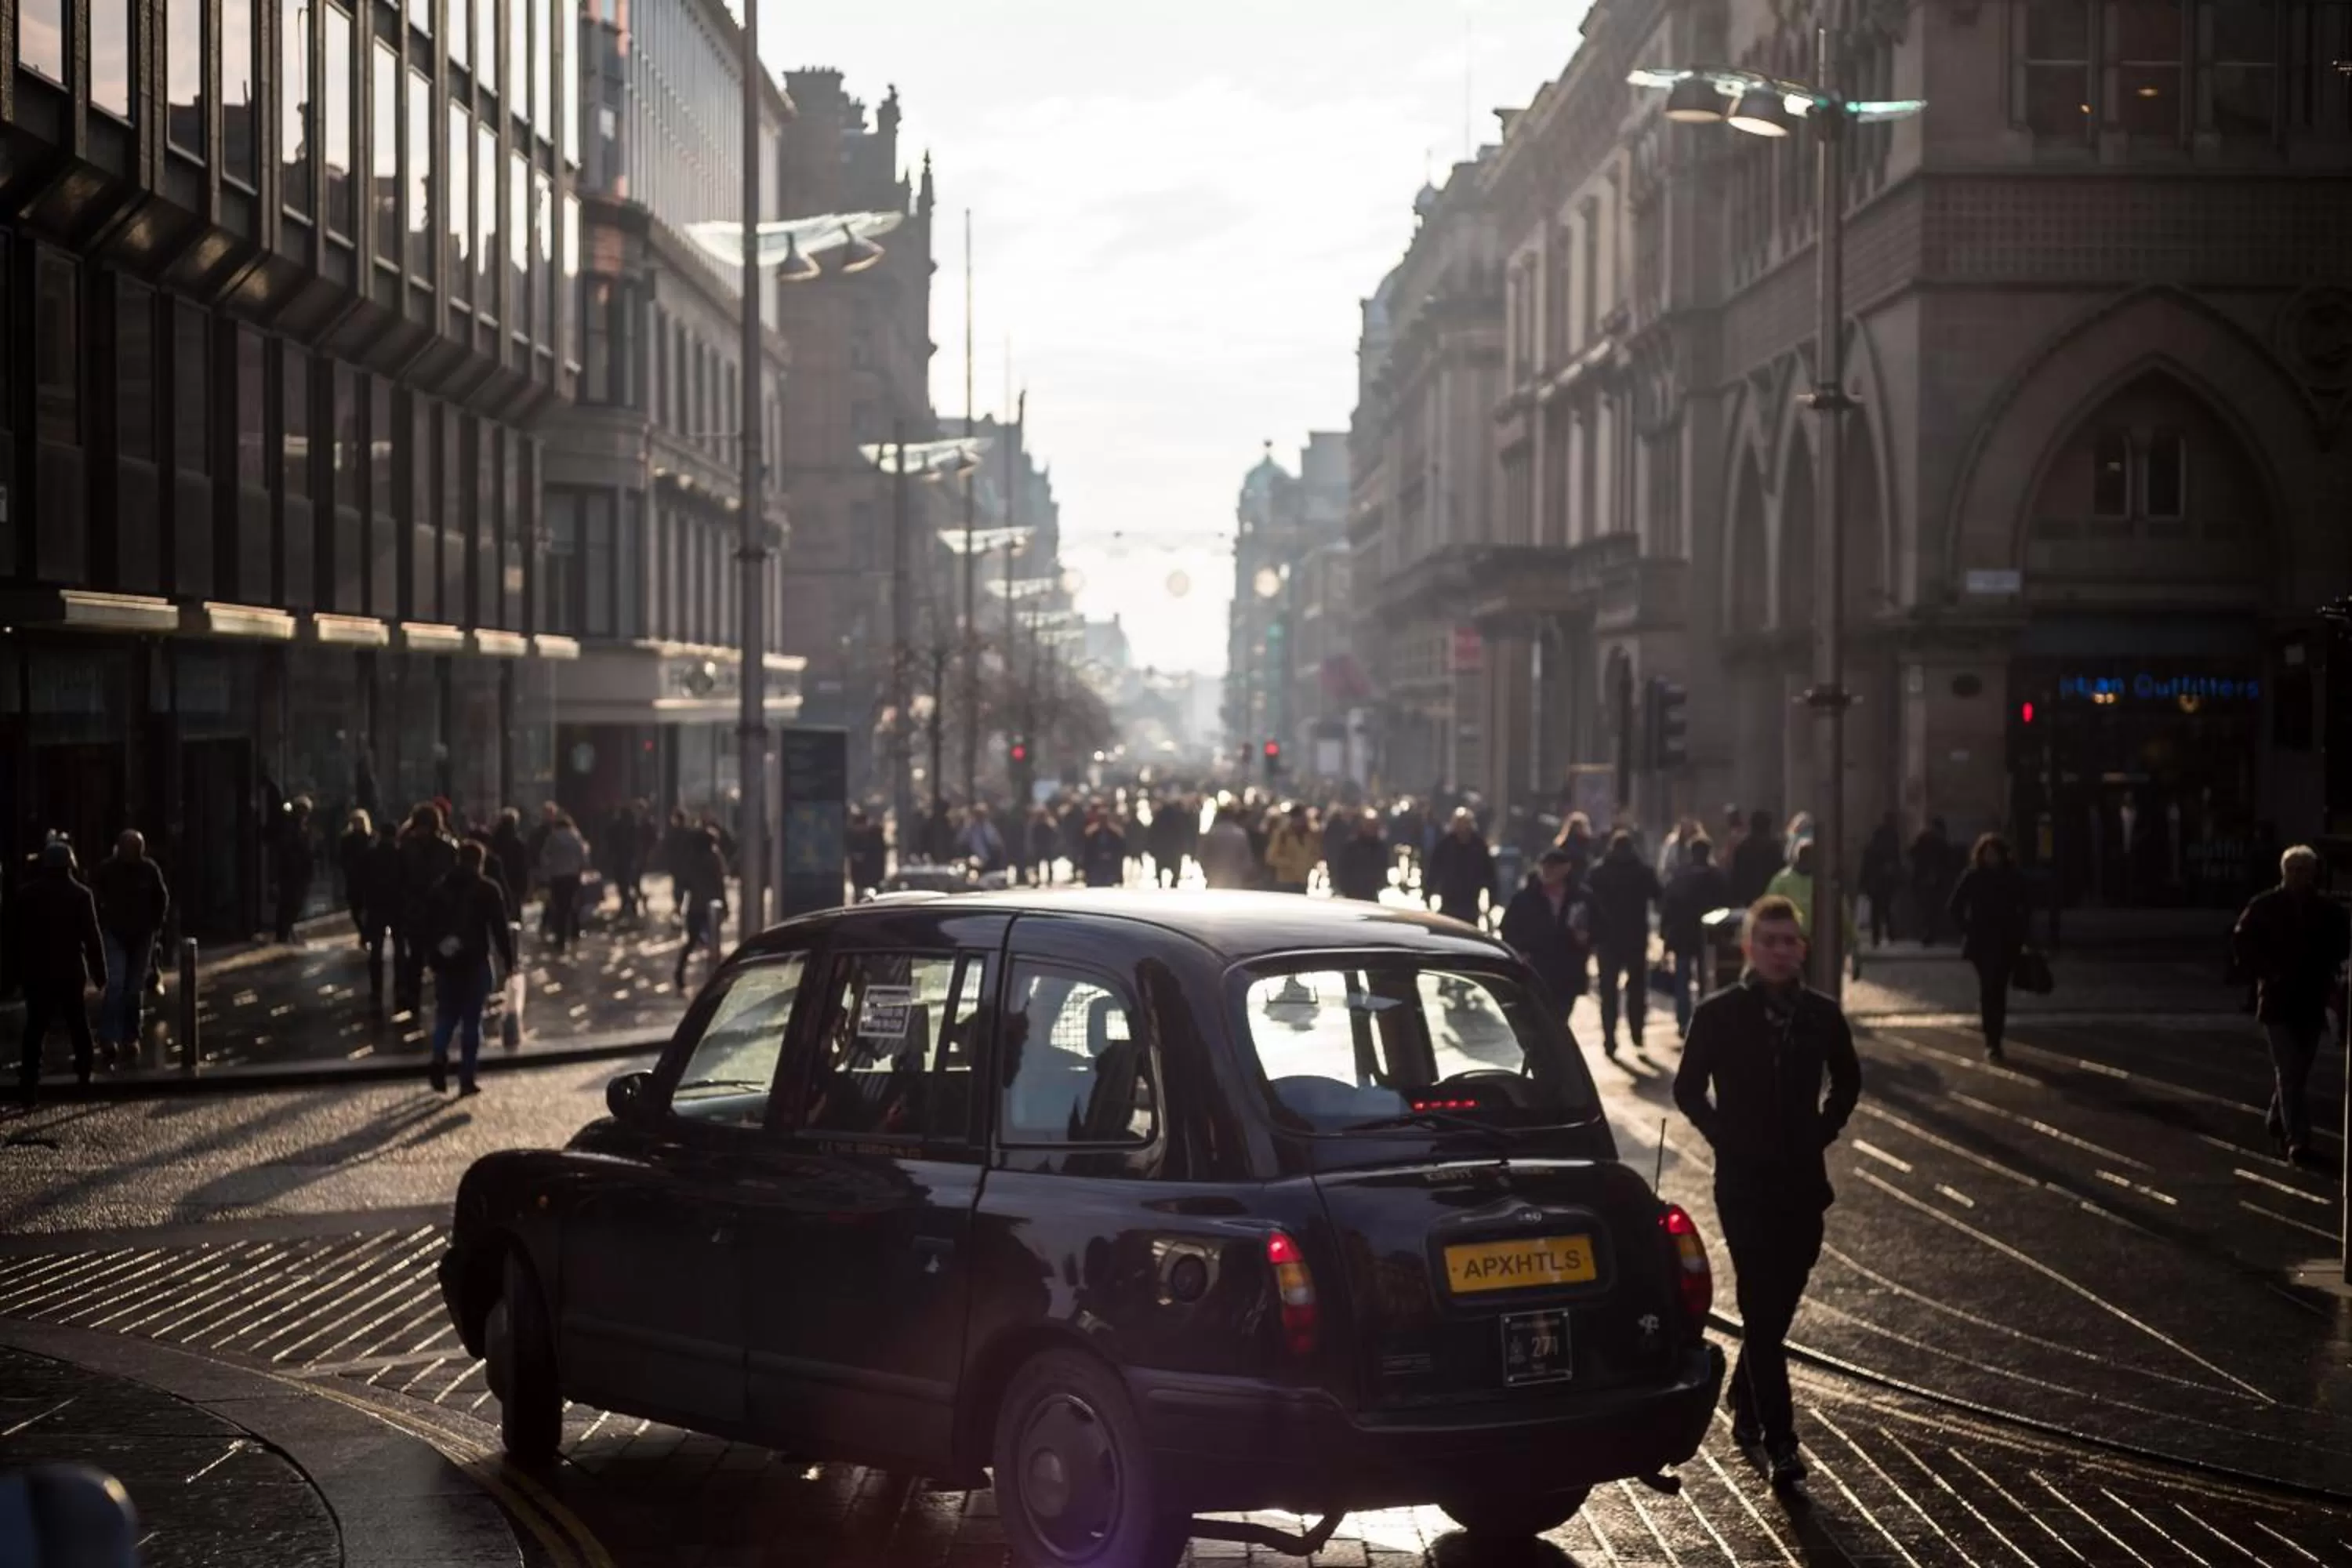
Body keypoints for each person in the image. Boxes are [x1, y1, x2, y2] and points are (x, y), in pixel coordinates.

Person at [1672, 895, 1862, 1491]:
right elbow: (1687, 1088)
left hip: (1804, 1184)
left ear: (1801, 948)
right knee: (1759, 1307)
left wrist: (1823, 1129)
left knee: (1775, 1310)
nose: (1781, 952)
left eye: (1790, 941)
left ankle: (1744, 1397)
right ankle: (1781, 1443)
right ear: (1749, 948)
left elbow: (1849, 1080)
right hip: (1745, 1185)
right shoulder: (1719, 1013)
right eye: (1770, 941)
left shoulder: (1822, 1015)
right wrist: (1724, 1137)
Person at [2230, 845, 2349, 1164]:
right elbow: (2243, 942)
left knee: (2298, 1070)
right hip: (2278, 1001)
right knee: (2289, 1068)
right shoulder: (2265, 906)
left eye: (2304, 870)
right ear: (2283, 872)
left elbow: (2342, 943)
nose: (2298, 876)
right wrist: (2266, 972)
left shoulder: (2326, 909)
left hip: (2310, 999)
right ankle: (2297, 1138)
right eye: (2293, 870)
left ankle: (2278, 1116)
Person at [9, 838, 107, 1105]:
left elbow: (15, 938)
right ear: (70, 864)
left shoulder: (27, 895)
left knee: (35, 1027)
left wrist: (13, 975)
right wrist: (100, 974)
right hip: (70, 969)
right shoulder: (81, 895)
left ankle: (29, 1082)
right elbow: (92, 937)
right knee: (78, 1024)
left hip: (36, 970)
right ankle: (85, 1077)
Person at [421, 840, 517, 1095]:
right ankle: (466, 1077)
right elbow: (499, 928)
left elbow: (427, 925)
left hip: (447, 961)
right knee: (472, 1020)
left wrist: (432, 955)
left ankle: (438, 1055)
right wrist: (509, 961)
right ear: (480, 861)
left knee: (446, 1016)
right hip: (475, 959)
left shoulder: (440, 887)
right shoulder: (487, 888)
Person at [1944, 832, 2033, 1062]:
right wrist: (1968, 929)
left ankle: (1996, 1038)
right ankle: (1991, 1040)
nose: (1992, 858)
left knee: (1998, 991)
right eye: (1988, 854)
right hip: (1982, 943)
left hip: (2006, 941)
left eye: (1995, 854)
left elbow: (2026, 906)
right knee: (1988, 989)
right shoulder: (1973, 876)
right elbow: (1954, 906)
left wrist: (2020, 931)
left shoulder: (2012, 877)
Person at [88, 830, 170, 1066]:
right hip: (116, 933)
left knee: (134, 988)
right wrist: (104, 921)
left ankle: (130, 1037)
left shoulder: (149, 870)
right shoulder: (108, 870)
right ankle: (108, 1037)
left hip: (142, 935)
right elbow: (95, 894)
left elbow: (161, 897)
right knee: (116, 984)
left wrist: (155, 925)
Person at [1588, 829, 1662, 1057]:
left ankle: (1609, 1039)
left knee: (1608, 991)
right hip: (1635, 938)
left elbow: (1587, 901)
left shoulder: (1599, 871)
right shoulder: (1643, 871)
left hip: (1607, 939)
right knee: (1637, 988)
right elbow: (1659, 896)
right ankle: (1637, 1032)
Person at [1501, 848, 1594, 1024]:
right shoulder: (1525, 898)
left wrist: (1586, 937)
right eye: (1544, 867)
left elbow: (1600, 926)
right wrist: (1520, 951)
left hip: (1567, 972)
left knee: (1559, 1021)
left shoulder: (1580, 897)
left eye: (1553, 867)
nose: (1547, 872)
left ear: (1565, 869)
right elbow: (1508, 928)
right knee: (1537, 1020)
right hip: (1536, 969)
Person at [1661, 836, 1730, 1038]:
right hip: (1708, 935)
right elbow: (1726, 904)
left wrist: (1665, 934)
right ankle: (1705, 1018)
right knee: (1706, 978)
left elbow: (1668, 905)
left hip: (1682, 934)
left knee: (1682, 978)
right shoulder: (1717, 876)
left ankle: (1683, 1022)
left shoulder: (1680, 876)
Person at [394, 804, 460, 1016]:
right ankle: (422, 998)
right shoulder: (446, 847)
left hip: (424, 909)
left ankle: (420, 997)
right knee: (425, 955)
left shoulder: (408, 847)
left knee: (424, 956)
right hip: (429, 910)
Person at [1766, 841, 1860, 985]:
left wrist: (1853, 945)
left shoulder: (1782, 881)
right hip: (1796, 945)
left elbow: (1843, 914)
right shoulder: (1784, 881)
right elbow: (1768, 911)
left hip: (1815, 945)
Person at [672, 826, 728, 991]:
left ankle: (679, 973)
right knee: (713, 944)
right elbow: (720, 883)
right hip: (711, 908)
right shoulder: (714, 858)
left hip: (695, 907)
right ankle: (714, 977)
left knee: (691, 941)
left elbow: (683, 882)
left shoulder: (691, 859)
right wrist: (725, 905)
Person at [1428, 808, 1497, 930]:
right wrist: (1428, 891)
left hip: (1470, 901)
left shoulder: (1479, 846)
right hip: (1449, 900)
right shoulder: (1445, 845)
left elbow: (1490, 873)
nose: (1462, 828)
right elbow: (1434, 869)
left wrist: (1492, 899)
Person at [537, 812, 590, 950]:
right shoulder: (576, 837)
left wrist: (547, 871)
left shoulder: (553, 838)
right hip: (573, 875)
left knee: (560, 906)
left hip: (557, 876)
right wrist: (582, 868)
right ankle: (575, 932)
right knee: (573, 903)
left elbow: (545, 856)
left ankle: (560, 938)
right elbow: (583, 855)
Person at [273, 797, 316, 942]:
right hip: (293, 871)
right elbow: (288, 848)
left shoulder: (301, 827)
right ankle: (283, 933)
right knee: (290, 902)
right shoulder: (291, 827)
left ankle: (286, 932)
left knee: (293, 903)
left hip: (298, 871)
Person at [1860, 813, 1902, 948]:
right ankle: (1890, 935)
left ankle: (1877, 937)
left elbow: (1865, 867)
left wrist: (1863, 883)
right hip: (1885, 882)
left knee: (1876, 911)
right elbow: (1896, 862)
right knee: (1886, 909)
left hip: (1876, 883)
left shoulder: (1872, 849)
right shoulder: (1892, 843)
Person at [1910, 818, 1954, 946]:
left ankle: (1929, 933)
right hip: (1932, 879)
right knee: (1931, 909)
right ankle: (1929, 933)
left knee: (1928, 908)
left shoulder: (1925, 839)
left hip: (1928, 879)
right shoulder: (1938, 842)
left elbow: (1912, 853)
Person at [1330, 810, 1390, 902]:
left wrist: (1380, 883)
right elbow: (1343, 866)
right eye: (1369, 826)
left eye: (1373, 826)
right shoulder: (1352, 846)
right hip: (1353, 891)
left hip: (1371, 890)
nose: (1371, 829)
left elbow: (1383, 866)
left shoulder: (1380, 847)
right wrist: (1344, 886)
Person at [1728, 810, 1782, 909]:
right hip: (1770, 898)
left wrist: (1735, 899)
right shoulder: (1775, 847)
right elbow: (1780, 874)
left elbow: (1736, 875)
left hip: (1748, 899)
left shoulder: (1743, 847)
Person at [604, 801, 646, 920]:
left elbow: (609, 843)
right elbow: (638, 844)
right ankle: (632, 905)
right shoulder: (634, 827)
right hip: (630, 859)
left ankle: (626, 904)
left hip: (619, 860)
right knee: (631, 883)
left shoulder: (615, 827)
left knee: (622, 884)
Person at [1265, 806, 1320, 895]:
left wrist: (1309, 864)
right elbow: (1271, 857)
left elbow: (1315, 854)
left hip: (1303, 881)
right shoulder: (1282, 835)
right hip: (1286, 881)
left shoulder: (1310, 836)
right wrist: (1290, 863)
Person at [1200, 807, 1255, 891]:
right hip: (1235, 876)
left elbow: (1203, 855)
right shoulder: (1241, 834)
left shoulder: (1212, 833)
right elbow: (1246, 858)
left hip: (1214, 874)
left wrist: (1206, 871)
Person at [488, 808, 531, 917]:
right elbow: (523, 867)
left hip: (497, 880)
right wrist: (525, 886)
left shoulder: (493, 840)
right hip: (514, 882)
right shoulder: (518, 843)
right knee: (514, 913)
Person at [1080, 804, 1127, 888]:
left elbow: (1120, 852)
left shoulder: (1115, 834)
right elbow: (1086, 852)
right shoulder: (1091, 834)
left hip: (1109, 868)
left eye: (1105, 818)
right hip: (1096, 869)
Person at [846, 807, 889, 898]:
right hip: (861, 879)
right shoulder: (854, 838)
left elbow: (880, 858)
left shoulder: (875, 836)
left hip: (872, 878)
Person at [960, 803, 1007, 877]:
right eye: (978, 814)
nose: (980, 817)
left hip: (989, 863)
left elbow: (997, 846)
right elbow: (961, 843)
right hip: (973, 861)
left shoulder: (990, 829)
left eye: (982, 814)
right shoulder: (969, 829)